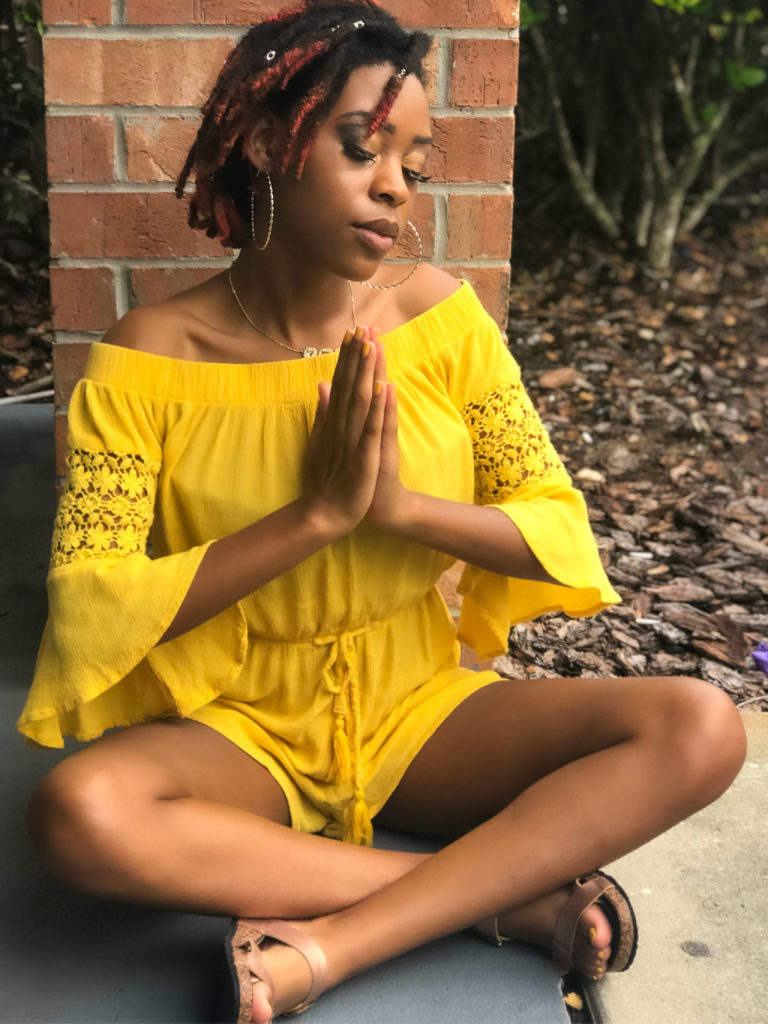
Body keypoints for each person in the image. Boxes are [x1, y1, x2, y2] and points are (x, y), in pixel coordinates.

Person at [18, 1, 746, 1021]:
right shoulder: (149, 356)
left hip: (419, 708)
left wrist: (400, 509)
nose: (397, 185)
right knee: (80, 814)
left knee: (701, 726)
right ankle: (505, 897)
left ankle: (340, 942)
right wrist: (312, 517)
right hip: (240, 726)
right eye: (365, 147)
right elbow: (90, 605)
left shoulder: (441, 320)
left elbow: (557, 524)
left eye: (416, 161)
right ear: (271, 144)